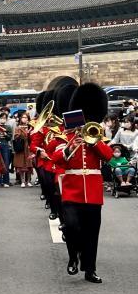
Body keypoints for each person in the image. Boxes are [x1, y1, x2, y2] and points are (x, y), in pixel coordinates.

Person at [52, 83, 112, 283]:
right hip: (72, 188)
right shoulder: (66, 135)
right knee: (71, 226)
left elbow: (109, 156)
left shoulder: (96, 135)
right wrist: (72, 146)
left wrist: (94, 142)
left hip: (93, 190)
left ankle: (90, 269)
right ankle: (72, 256)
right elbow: (57, 157)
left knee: (92, 232)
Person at [12, 112, 34, 187]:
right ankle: (22, 181)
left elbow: (34, 138)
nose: (24, 119)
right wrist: (21, 133)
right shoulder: (17, 127)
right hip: (21, 147)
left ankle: (29, 181)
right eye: (23, 117)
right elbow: (15, 137)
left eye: (26, 117)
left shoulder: (31, 127)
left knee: (29, 165)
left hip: (29, 147)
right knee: (21, 165)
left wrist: (30, 132)